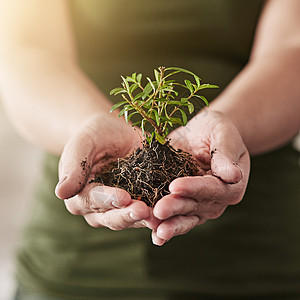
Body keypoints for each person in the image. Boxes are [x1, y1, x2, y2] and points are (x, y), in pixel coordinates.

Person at [0, 0, 299, 299]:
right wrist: (87, 125)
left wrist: (228, 124)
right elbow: (26, 47)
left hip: (259, 260)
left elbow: (291, 48)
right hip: (74, 268)